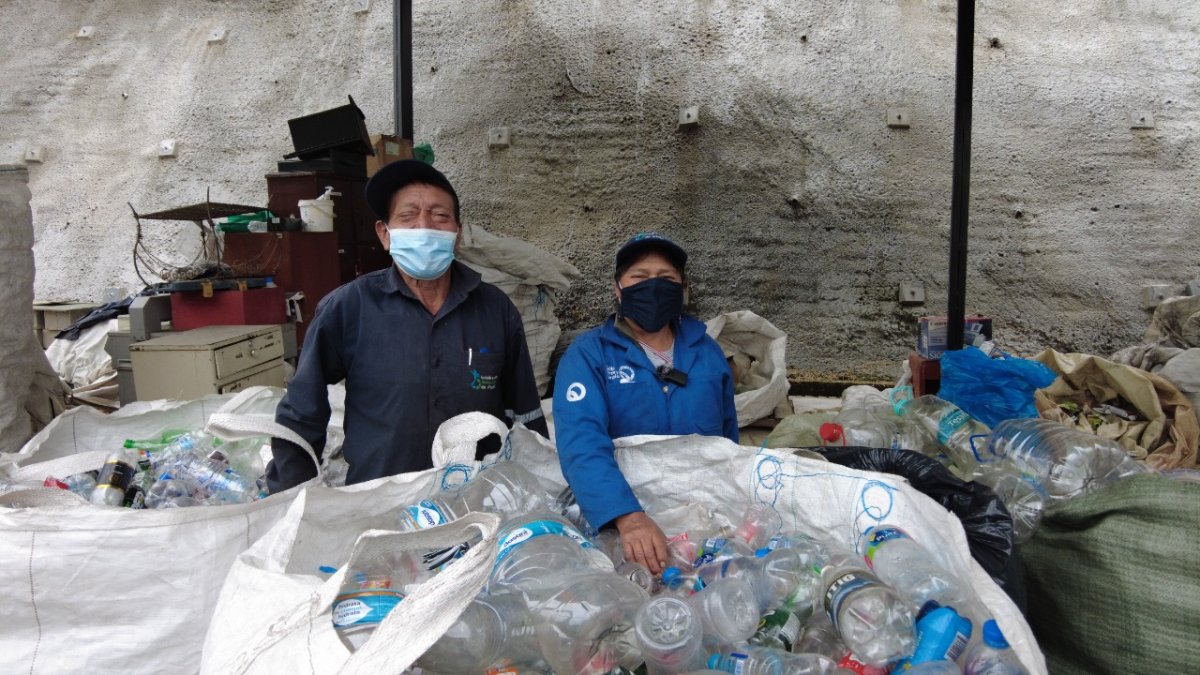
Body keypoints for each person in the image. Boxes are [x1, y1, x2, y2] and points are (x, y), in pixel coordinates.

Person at [267, 160, 548, 492]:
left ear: (457, 235)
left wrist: (536, 486)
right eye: (407, 216)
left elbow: (527, 417)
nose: (423, 226)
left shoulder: (495, 309)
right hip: (379, 498)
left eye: (439, 216)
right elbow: (302, 412)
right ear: (384, 235)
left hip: (475, 497)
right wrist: (291, 497)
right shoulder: (348, 307)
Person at [553, 233, 738, 574]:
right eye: (639, 277)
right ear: (618, 289)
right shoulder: (588, 355)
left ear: (682, 288)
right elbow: (581, 444)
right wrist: (628, 517)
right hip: (628, 522)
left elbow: (729, 444)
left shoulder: (707, 352)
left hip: (706, 520)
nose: (653, 286)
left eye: (666, 279)